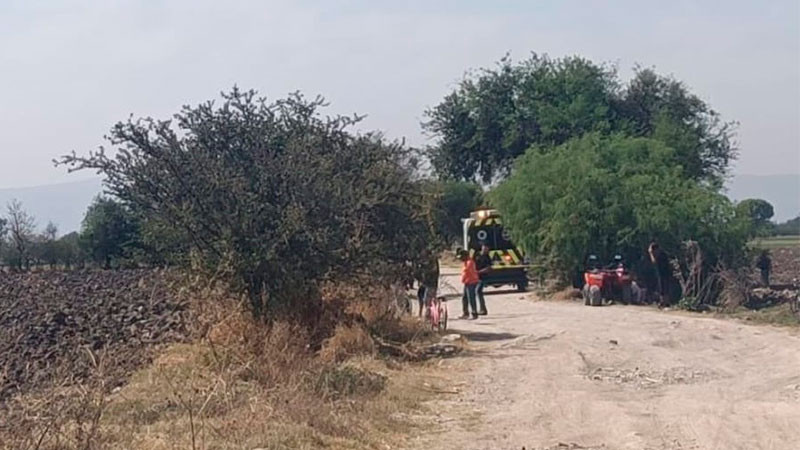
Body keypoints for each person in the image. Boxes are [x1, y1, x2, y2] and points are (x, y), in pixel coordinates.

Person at [648, 240, 672, 307]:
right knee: (662, 288)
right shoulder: (661, 254)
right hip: (661, 274)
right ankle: (663, 302)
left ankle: (665, 302)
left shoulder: (662, 255)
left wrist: (650, 253)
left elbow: (654, 262)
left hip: (664, 274)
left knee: (664, 288)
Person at [460, 249, 480, 320]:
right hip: (467, 282)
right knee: (464, 298)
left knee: (471, 298)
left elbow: (467, 272)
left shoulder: (470, 263)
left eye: (461, 257)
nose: (460, 259)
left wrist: (463, 279)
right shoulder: (466, 262)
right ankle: (465, 313)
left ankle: (474, 313)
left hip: (471, 282)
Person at [474, 244, 492, 315]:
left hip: (483, 277)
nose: (485, 249)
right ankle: (481, 309)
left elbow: (488, 268)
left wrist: (479, 272)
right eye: (484, 247)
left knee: (478, 291)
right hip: (475, 276)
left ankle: (483, 309)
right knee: (477, 292)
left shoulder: (488, 258)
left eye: (487, 248)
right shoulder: (476, 254)